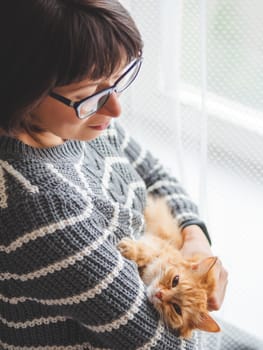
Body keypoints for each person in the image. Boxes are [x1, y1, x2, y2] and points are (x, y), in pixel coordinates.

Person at [0, 1, 261, 349]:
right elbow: (172, 346)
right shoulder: (40, 208)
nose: (116, 108)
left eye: (120, 78)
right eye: (90, 94)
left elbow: (156, 176)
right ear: (24, 88)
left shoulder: (80, 123)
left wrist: (195, 236)